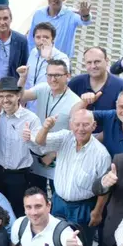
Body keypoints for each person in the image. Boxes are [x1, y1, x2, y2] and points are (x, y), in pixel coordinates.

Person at [31, 109, 111, 246]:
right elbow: (39, 142)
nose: (81, 129)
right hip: (59, 201)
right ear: (70, 125)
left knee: (82, 243)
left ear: (94, 126)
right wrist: (46, 127)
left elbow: (105, 188)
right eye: (77, 124)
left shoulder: (101, 154)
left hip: (83, 206)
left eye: (86, 125)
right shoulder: (64, 138)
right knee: (55, 239)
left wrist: (97, 211)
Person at [20, 59, 80, 193]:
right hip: (36, 151)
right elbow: (21, 96)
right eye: (49, 75)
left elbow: (75, 136)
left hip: (58, 156)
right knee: (35, 192)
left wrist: (53, 154)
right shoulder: (43, 88)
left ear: (68, 76)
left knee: (57, 192)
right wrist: (22, 78)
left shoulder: (75, 102)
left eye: (57, 75)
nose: (53, 79)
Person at [0, 77, 41, 217]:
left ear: (18, 96)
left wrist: (30, 140)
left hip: (19, 174)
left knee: (18, 211)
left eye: (9, 95)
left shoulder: (31, 118)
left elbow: (39, 149)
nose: (5, 100)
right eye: (2, 96)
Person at [27, 0, 92, 58]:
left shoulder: (71, 14)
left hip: (61, 63)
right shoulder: (39, 13)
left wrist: (85, 16)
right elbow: (31, 39)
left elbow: (86, 21)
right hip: (40, 60)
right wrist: (30, 56)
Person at [71, 89, 123, 157]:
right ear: (116, 105)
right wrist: (84, 102)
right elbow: (75, 116)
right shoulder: (111, 116)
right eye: (121, 107)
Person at [68, 46, 123, 111]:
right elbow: (66, 110)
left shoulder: (121, 86)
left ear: (107, 61)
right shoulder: (75, 83)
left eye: (97, 62)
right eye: (89, 62)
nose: (93, 66)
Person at [20, 22, 69, 92]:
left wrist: (49, 60)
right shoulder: (33, 52)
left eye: (46, 37)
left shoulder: (62, 57)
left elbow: (64, 81)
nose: (41, 40)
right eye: (38, 37)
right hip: (29, 99)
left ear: (53, 40)